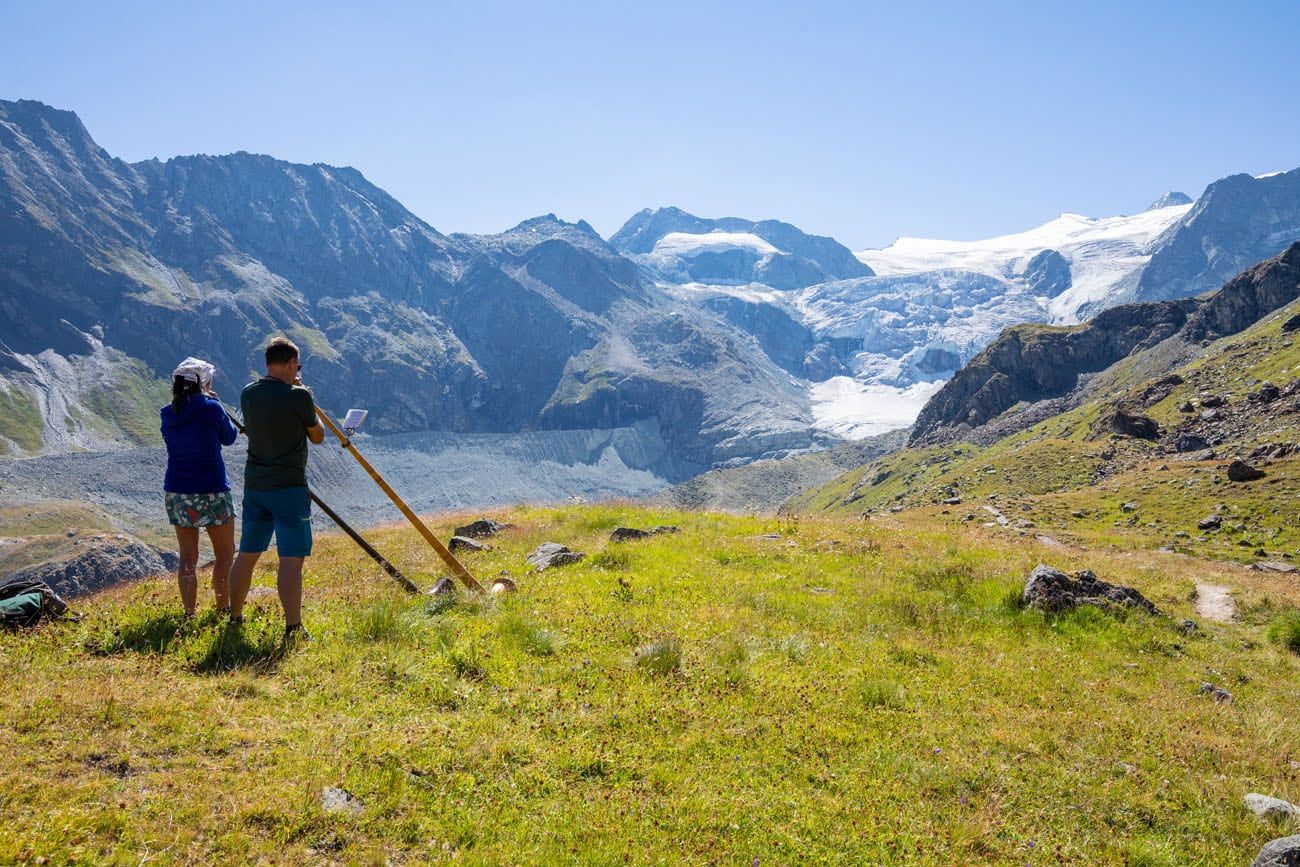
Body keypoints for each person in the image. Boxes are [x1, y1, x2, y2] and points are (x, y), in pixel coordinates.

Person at [227, 337, 324, 639]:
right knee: (291, 559)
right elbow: (317, 436)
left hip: (256, 485)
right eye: (298, 363)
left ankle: (235, 617)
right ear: (292, 363)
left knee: (247, 554)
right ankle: (293, 627)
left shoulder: (248, 393)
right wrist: (305, 394)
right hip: (289, 488)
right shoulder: (299, 396)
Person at [160, 357, 239, 617]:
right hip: (212, 488)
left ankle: (189, 613)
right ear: (203, 382)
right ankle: (222, 608)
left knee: (187, 558)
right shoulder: (211, 408)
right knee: (225, 554)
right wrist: (215, 402)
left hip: (178, 490)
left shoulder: (167, 414)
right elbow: (229, 438)